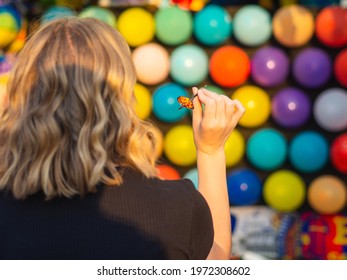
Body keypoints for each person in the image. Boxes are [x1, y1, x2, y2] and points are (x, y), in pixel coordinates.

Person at [0, 17, 245, 260]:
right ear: (122, 97)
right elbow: (215, 260)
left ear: (23, 95)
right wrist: (210, 151)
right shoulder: (176, 209)